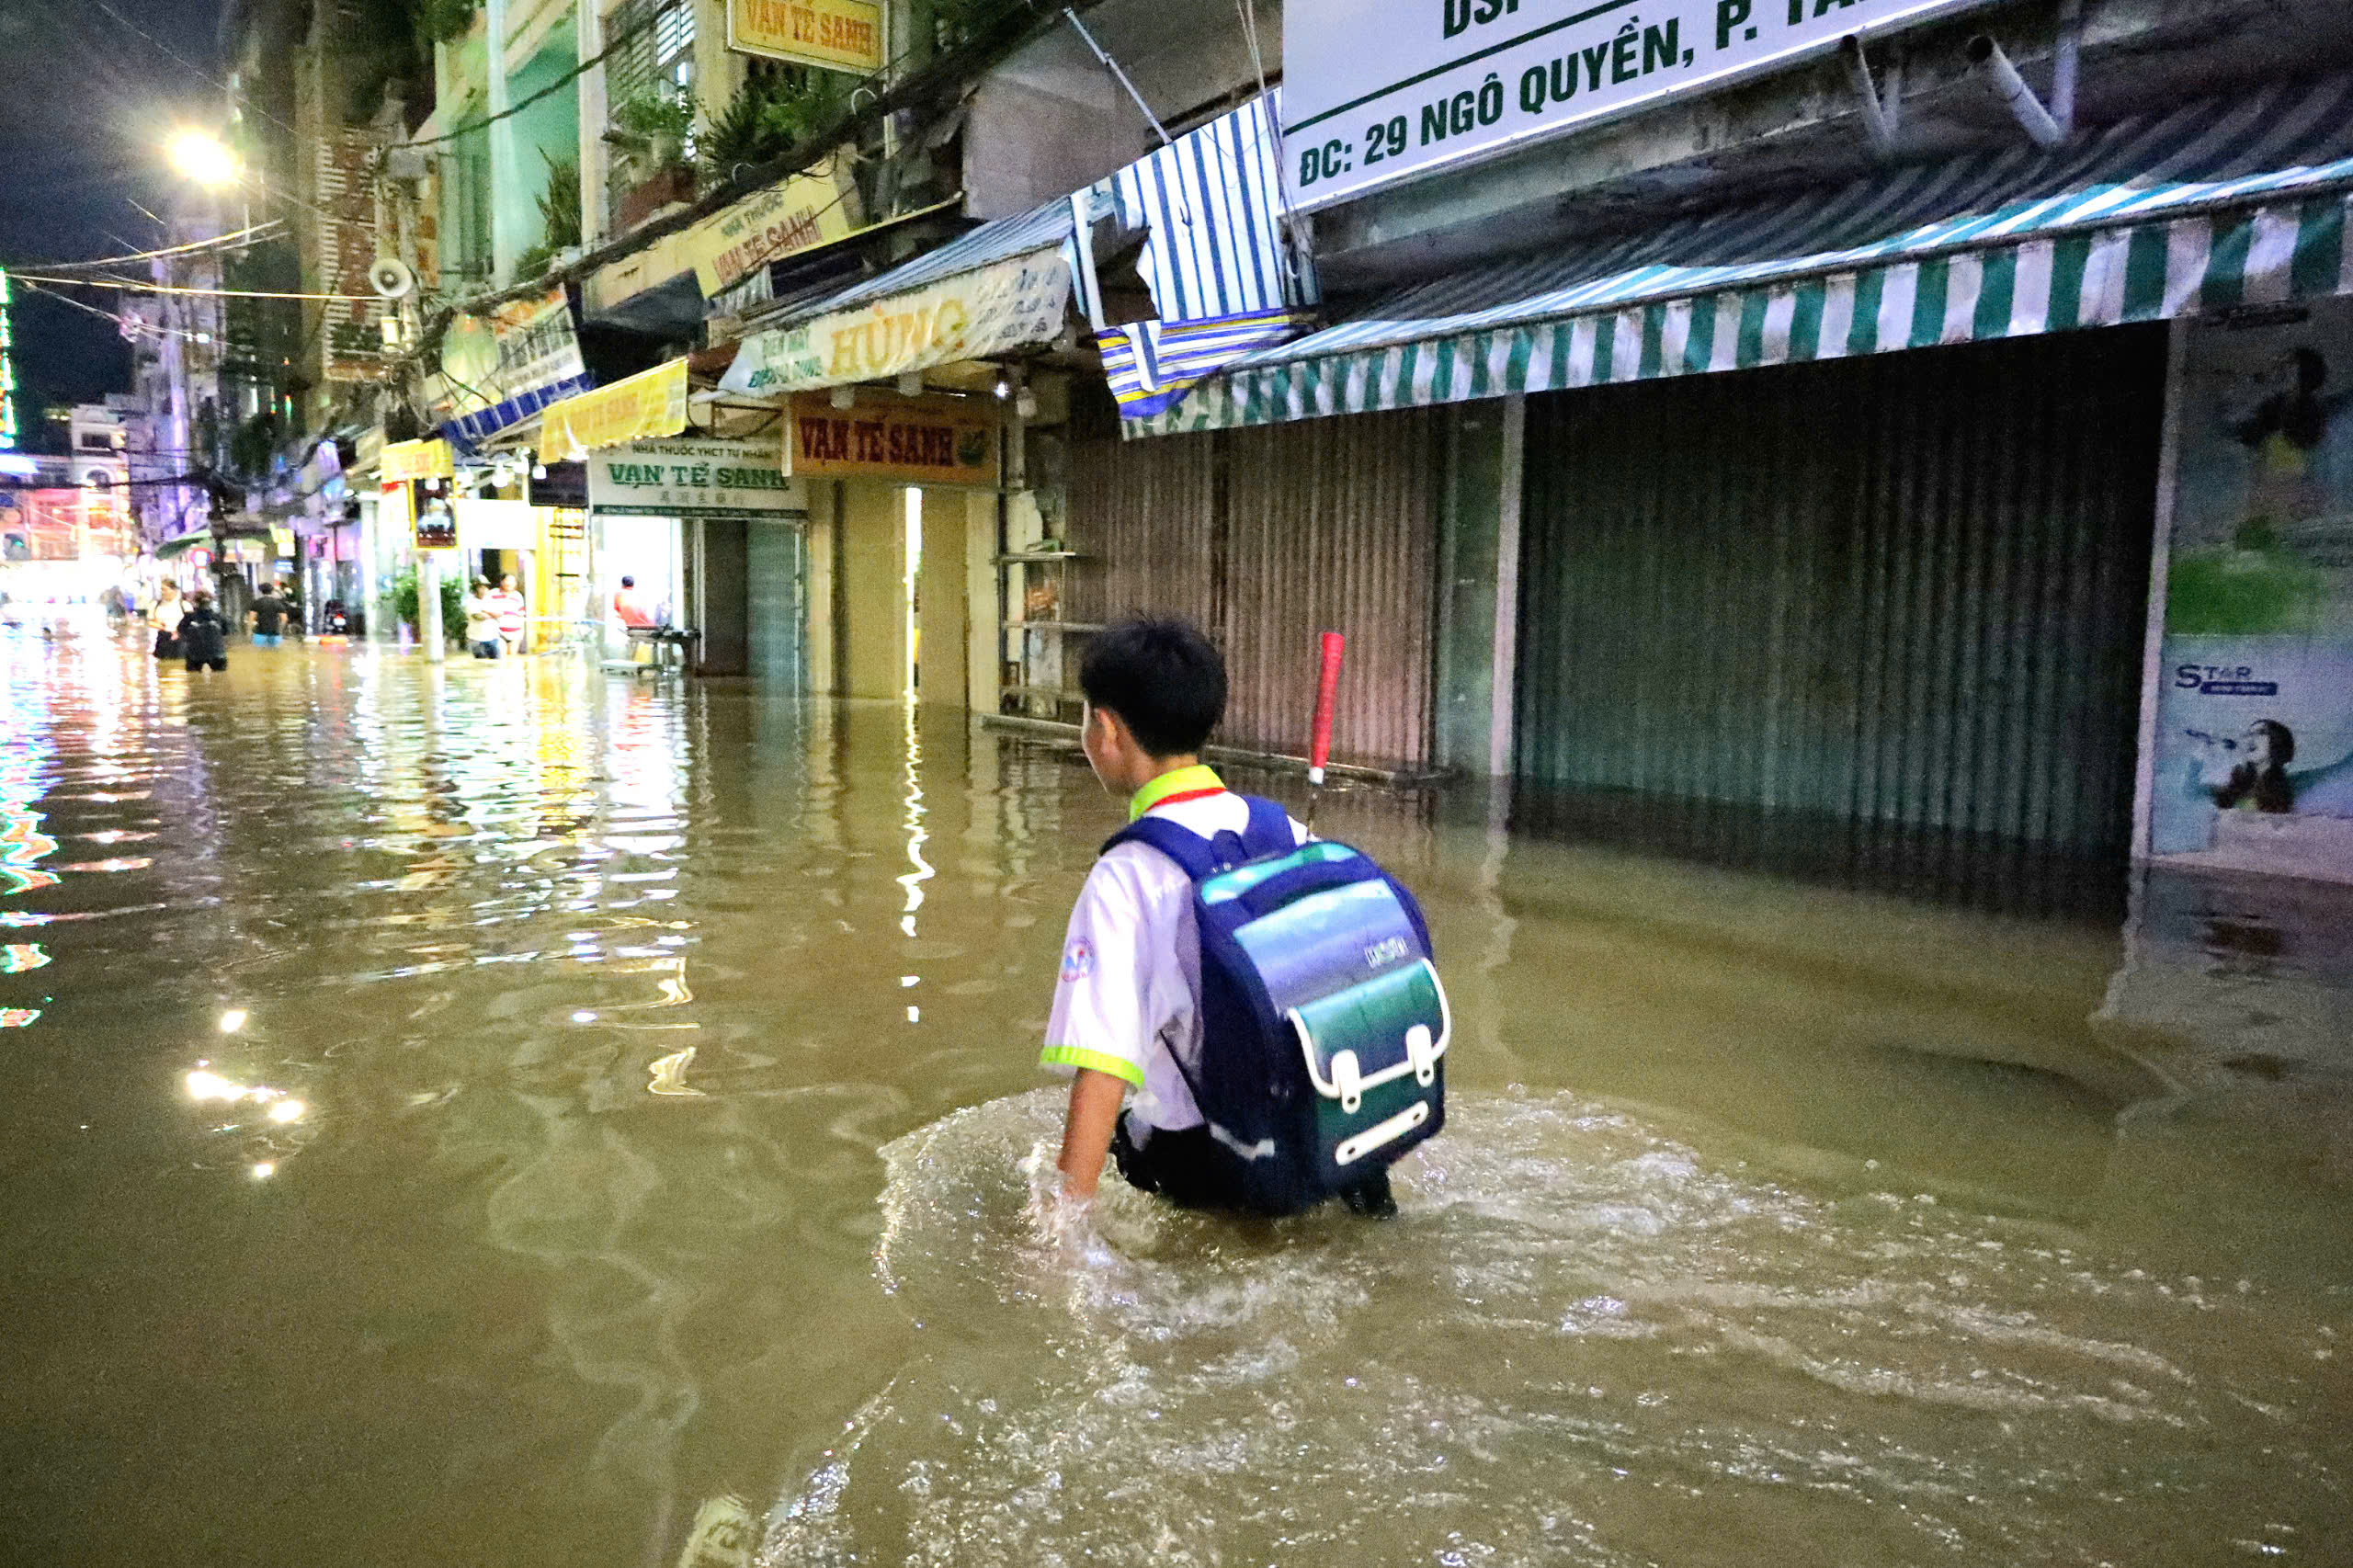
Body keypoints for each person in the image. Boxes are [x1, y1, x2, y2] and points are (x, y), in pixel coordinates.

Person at [1039, 618, 1399, 1221]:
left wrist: (1052, 1237)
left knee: (1131, 1136)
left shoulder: (1126, 876)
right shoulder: (1284, 829)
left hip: (1218, 1167)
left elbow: (1101, 1070)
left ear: (1106, 729)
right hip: (1333, 1137)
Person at [178, 589, 230, 674]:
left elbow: (181, 630)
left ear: (195, 601)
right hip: (217, 653)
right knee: (220, 679)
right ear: (211, 601)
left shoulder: (188, 617)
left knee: (193, 680)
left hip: (194, 654)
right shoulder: (218, 617)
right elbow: (225, 632)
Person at [461, 576, 502, 659]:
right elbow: (478, 616)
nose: (483, 590)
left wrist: (485, 611)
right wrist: (492, 615)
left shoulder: (492, 600)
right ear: (475, 589)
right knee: (480, 663)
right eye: (480, 588)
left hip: (493, 638)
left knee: (496, 662)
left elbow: (499, 613)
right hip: (476, 639)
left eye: (485, 588)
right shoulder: (470, 602)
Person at [247, 581, 294, 647]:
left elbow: (251, 619)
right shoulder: (277, 603)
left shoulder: (257, 602)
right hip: (275, 634)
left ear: (262, 591)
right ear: (271, 591)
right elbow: (284, 619)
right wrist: (279, 631)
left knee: (259, 655)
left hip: (260, 633)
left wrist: (249, 633)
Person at [493, 573, 528, 656]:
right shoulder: (493, 594)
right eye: (507, 580)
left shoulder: (518, 596)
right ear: (502, 582)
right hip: (499, 633)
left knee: (512, 658)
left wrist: (521, 633)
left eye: (513, 581)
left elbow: (521, 615)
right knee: (502, 658)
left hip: (515, 633)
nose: (510, 583)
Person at [149, 582, 184, 661]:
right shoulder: (155, 605)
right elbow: (149, 621)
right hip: (163, 638)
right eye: (161, 590)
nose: (162, 592)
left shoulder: (184, 605)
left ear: (174, 590)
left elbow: (189, 623)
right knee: (162, 666)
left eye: (165, 590)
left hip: (180, 639)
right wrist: (159, 626)